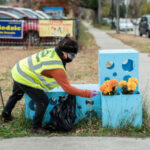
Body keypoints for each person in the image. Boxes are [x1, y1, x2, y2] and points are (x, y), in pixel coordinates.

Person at [1, 36, 99, 133]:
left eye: (75, 56)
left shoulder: (54, 51)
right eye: (72, 55)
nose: (73, 58)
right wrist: (87, 93)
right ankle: (35, 127)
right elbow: (68, 89)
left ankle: (5, 115)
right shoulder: (56, 67)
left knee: (16, 95)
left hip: (19, 69)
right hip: (25, 76)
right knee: (42, 101)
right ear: (63, 52)